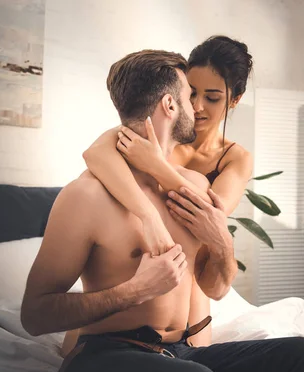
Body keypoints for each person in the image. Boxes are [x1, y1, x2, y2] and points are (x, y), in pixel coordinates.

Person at [21, 49, 304, 372]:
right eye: (189, 96)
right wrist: (135, 290)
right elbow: (34, 315)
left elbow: (214, 288)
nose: (197, 108)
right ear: (170, 105)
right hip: (105, 354)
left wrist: (222, 244)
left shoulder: (192, 188)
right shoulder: (86, 197)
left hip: (181, 352)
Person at [73, 36, 255, 352]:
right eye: (192, 92)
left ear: (234, 100)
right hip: (126, 324)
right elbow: (95, 154)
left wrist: (156, 166)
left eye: (212, 98)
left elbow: (211, 216)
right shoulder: (153, 132)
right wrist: (147, 214)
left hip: (192, 324)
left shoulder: (234, 159)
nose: (197, 106)